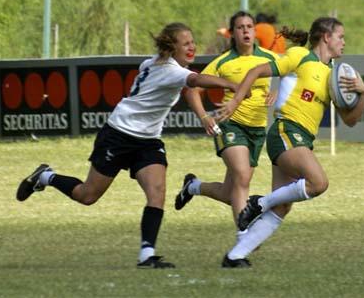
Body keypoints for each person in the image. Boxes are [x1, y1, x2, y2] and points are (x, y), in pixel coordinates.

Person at [16, 22, 238, 269]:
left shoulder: (154, 63)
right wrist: (229, 84)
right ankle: (46, 177)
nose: (192, 47)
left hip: (148, 141)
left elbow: (188, 87)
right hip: (119, 134)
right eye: (185, 43)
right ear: (170, 48)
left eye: (192, 42)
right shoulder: (170, 70)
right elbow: (196, 80)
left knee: (157, 192)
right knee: (87, 195)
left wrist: (202, 115)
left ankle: (147, 255)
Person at [216, 17, 364, 267]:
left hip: (302, 139)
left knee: (283, 205)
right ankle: (259, 202)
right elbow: (256, 71)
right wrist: (234, 102)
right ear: (326, 37)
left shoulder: (333, 75)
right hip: (286, 130)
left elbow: (351, 120)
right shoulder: (299, 56)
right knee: (318, 183)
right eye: (341, 36)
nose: (344, 42)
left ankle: (235, 256)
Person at [174, 11, 279, 247]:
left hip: (257, 129)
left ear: (255, 31)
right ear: (233, 33)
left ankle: (193, 187)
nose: (245, 31)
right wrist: (203, 116)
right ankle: (245, 238)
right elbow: (193, 90)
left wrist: (278, 92)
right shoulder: (223, 61)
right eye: (240, 27)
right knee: (242, 177)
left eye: (249, 26)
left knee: (231, 192)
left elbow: (294, 75)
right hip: (230, 125)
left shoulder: (270, 58)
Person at [216, 12, 286, 54]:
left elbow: (240, 33)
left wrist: (223, 31)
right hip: (281, 59)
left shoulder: (261, 27)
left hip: (271, 60)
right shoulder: (275, 29)